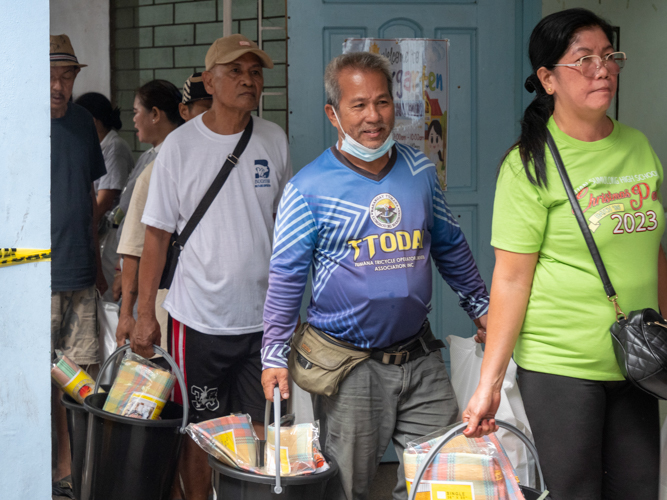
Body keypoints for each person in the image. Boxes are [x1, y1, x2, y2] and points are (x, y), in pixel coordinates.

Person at [261, 51, 489, 500]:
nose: (373, 117)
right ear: (334, 113)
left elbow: (449, 245)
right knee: (349, 488)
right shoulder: (308, 188)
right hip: (350, 367)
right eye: (359, 105)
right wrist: (272, 354)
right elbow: (286, 276)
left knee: (443, 476)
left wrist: (481, 307)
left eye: (382, 103)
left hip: (420, 357)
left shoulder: (420, 169)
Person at [462, 9, 666, 500]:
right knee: (576, 491)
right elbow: (510, 280)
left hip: (637, 361)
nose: (603, 69)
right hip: (561, 366)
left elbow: (653, 252)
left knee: (639, 489)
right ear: (548, 79)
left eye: (609, 56)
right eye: (584, 59)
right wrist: (489, 382)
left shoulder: (638, 146)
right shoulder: (526, 165)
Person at [131, 35, 292, 500]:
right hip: (198, 319)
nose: (248, 80)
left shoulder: (274, 139)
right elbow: (156, 236)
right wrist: (145, 314)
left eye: (256, 72)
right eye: (236, 71)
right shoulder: (179, 147)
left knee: (261, 427)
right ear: (209, 80)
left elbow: (284, 227)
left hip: (262, 320)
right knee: (199, 431)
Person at [50, 34, 107, 499]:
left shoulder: (84, 123)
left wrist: (97, 266)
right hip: (35, 277)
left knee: (80, 381)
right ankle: (42, 469)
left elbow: (88, 198)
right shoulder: (14, 122)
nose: (58, 86)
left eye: (66, 76)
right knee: (35, 377)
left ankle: (70, 473)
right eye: (50, 76)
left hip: (80, 274)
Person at [115, 73, 211, 350]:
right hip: (169, 313)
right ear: (184, 112)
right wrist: (129, 315)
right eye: (206, 111)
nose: (214, 121)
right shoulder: (158, 168)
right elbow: (135, 247)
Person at [112, 80, 184, 309]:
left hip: (155, 278)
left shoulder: (173, 160)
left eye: (136, 112)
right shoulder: (148, 156)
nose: (133, 119)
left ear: (155, 114)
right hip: (132, 270)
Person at [75, 92, 134, 302]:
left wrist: (85, 227)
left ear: (91, 120)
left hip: (111, 231)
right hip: (100, 231)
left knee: (109, 293)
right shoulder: (96, 145)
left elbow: (106, 198)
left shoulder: (114, 147)